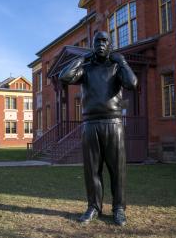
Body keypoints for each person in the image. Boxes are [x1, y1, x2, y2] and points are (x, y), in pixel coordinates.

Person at [59, 31, 138, 226]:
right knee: (92, 170)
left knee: (117, 170)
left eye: (104, 41)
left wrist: (123, 62)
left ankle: (119, 208)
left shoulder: (116, 67)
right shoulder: (86, 68)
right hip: (90, 124)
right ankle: (94, 206)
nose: (101, 45)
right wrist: (82, 58)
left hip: (113, 123)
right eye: (97, 42)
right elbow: (65, 77)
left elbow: (132, 83)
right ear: (93, 46)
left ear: (110, 45)